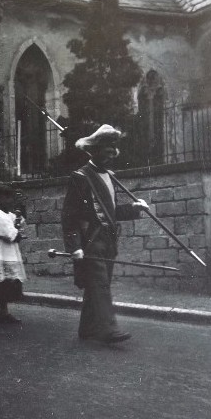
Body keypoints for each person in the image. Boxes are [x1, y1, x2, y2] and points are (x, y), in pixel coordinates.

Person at [61, 124, 149, 344]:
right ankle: (109, 329)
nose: (110, 157)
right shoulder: (80, 177)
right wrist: (75, 247)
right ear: (94, 151)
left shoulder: (111, 177)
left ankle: (87, 328)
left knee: (98, 283)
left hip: (109, 239)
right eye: (106, 152)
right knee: (100, 283)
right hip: (91, 239)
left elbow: (113, 213)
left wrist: (135, 208)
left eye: (113, 152)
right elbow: (69, 216)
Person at [0, 185, 28, 325]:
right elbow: (10, 234)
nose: (9, 200)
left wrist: (21, 209)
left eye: (11, 197)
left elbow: (20, 224)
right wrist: (17, 233)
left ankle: (4, 313)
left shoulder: (9, 214)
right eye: (6, 197)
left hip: (9, 254)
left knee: (7, 284)